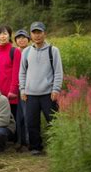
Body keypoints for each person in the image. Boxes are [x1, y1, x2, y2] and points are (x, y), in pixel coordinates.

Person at [19, 22, 63, 155]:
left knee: (53, 121)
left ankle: (57, 147)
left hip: (48, 94)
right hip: (30, 94)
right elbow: (22, 72)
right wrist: (22, 89)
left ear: (45, 33)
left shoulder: (53, 50)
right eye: (34, 33)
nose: (37, 35)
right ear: (30, 35)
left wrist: (56, 89)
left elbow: (58, 72)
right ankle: (36, 148)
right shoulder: (26, 51)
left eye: (39, 32)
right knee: (32, 123)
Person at [0, 25, 22, 146]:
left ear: (9, 35)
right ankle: (2, 140)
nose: (2, 36)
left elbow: (16, 72)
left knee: (12, 117)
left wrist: (14, 89)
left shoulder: (15, 51)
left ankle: (15, 141)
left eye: (5, 34)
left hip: (10, 91)